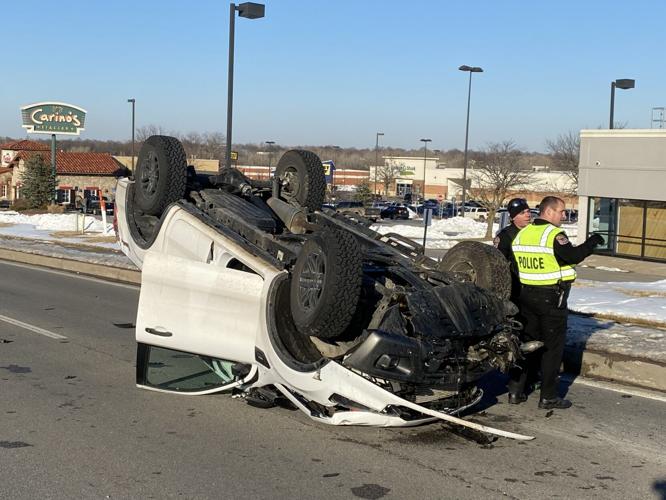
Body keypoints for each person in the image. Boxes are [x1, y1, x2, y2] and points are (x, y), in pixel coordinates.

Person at [508, 196, 604, 409]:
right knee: (552, 348)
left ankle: (516, 390)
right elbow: (572, 256)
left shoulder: (523, 234)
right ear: (549, 211)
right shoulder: (553, 234)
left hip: (526, 297)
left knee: (526, 345)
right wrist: (592, 242)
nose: (563, 215)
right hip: (551, 299)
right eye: (561, 211)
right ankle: (548, 396)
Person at [494, 197, 532, 304]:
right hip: (516, 286)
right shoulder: (506, 235)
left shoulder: (534, 232)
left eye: (528, 211)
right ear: (513, 217)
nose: (527, 215)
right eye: (522, 213)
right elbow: (498, 262)